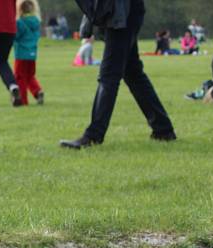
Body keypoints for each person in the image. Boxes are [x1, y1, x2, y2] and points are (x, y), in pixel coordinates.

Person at [60, 0, 175, 149]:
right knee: (133, 73)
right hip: (125, 12)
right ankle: (163, 129)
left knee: (109, 76)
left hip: (121, 15)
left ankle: (94, 136)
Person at [13, 0, 43, 106]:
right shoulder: (35, 21)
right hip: (32, 54)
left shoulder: (20, 23)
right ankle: (37, 91)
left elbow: (16, 36)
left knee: (20, 77)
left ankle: (23, 100)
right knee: (30, 76)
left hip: (21, 54)